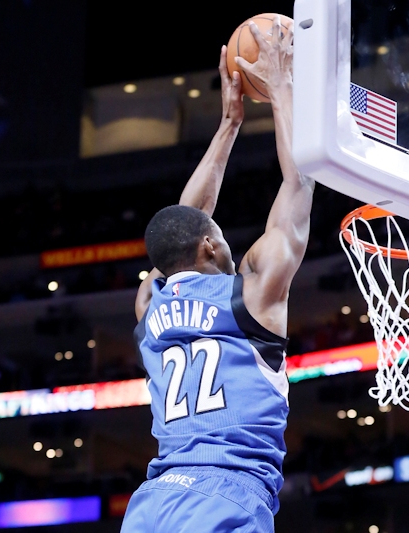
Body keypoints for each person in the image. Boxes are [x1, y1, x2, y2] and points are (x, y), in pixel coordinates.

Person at [121, 17, 313, 533]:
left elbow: (185, 221)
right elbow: (298, 181)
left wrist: (230, 124)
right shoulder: (251, 296)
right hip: (227, 493)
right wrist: (281, 91)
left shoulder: (150, 301)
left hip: (153, 502)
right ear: (210, 245)